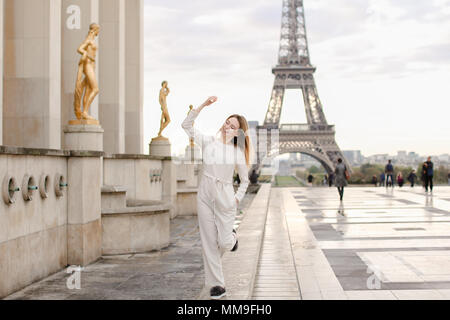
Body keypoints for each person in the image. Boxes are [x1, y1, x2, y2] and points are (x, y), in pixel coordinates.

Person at [181, 96, 250, 300]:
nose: (226, 126)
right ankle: (217, 285)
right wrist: (202, 106)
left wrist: (236, 199)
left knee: (225, 242)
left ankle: (233, 237)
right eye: (226, 122)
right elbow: (185, 125)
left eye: (232, 125)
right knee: (209, 242)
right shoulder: (209, 141)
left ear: (237, 132)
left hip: (225, 198)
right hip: (204, 194)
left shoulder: (237, 152)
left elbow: (245, 181)